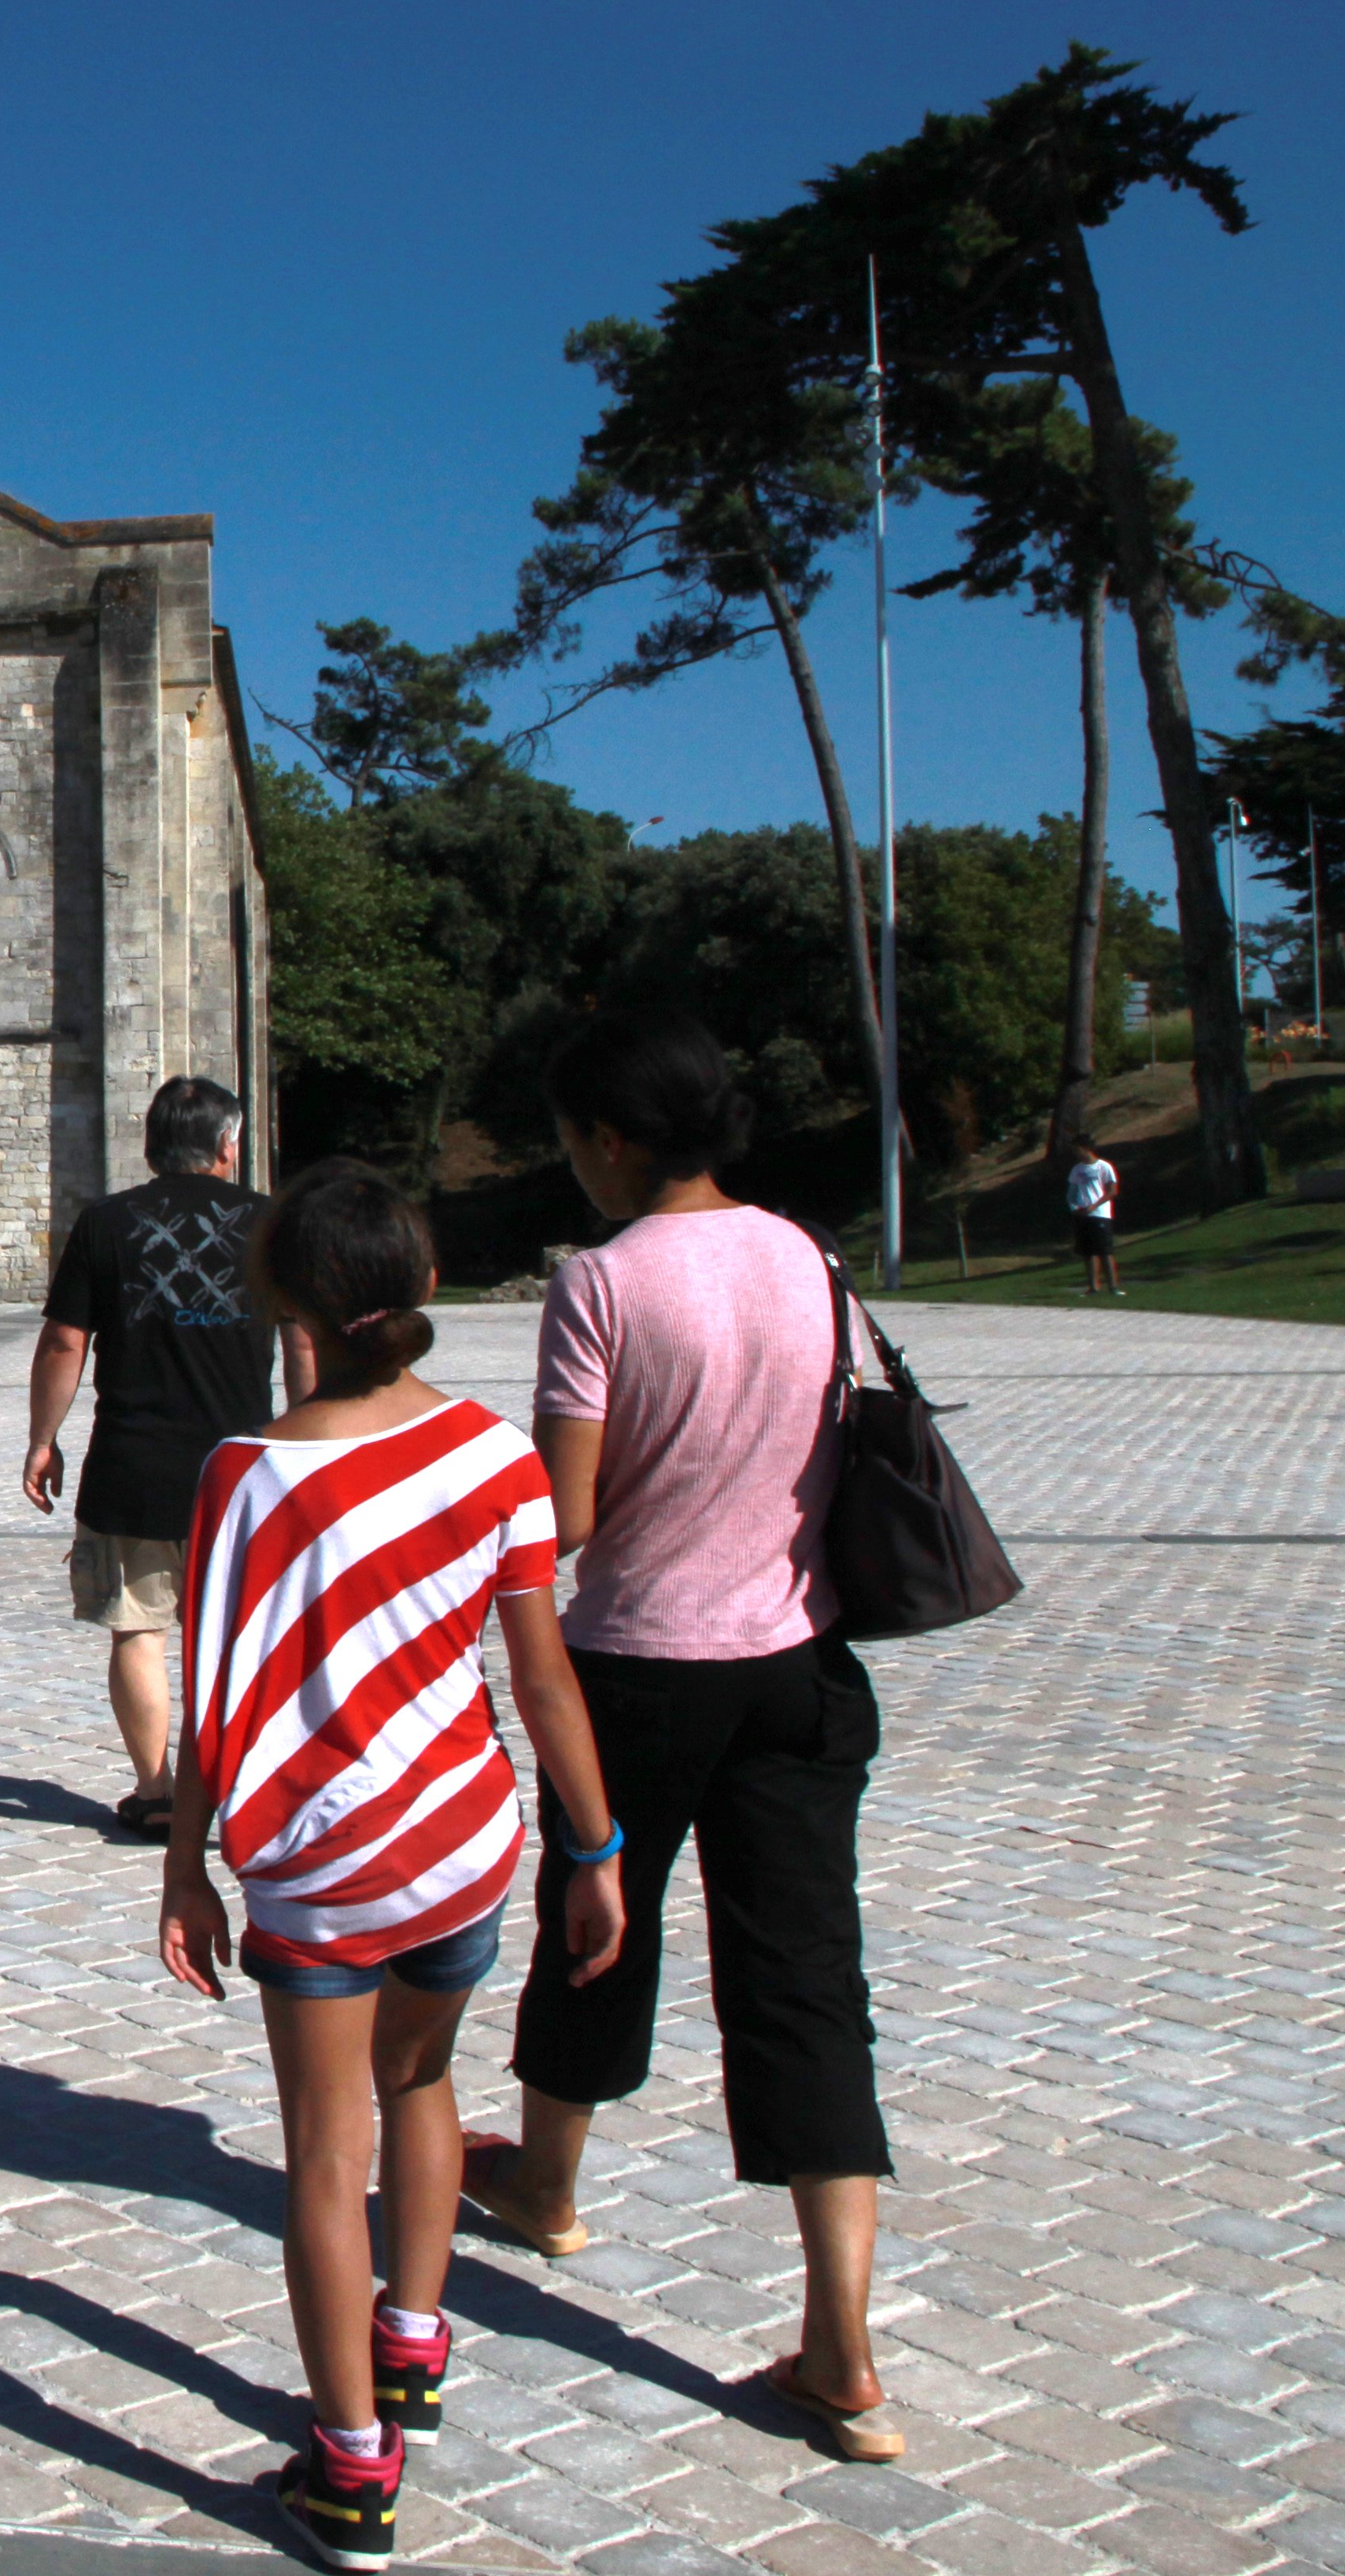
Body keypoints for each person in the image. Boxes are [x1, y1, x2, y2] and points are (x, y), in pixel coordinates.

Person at [158, 1159, 627, 2572]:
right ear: (421, 1287)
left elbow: (213, 1688)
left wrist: (185, 1866)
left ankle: (351, 2466)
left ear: (283, 1304)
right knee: (422, 2079)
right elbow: (541, 1680)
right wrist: (593, 1845)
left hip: (315, 1859)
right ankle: (414, 2345)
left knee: (322, 2149)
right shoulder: (498, 1458)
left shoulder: (243, 1475)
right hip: (459, 1845)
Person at [459, 1008, 903, 2467]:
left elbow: (568, 1515)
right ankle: (840, 2337)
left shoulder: (597, 1282)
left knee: (598, 1923)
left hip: (640, 1665)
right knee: (803, 1979)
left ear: (613, 1138)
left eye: (574, 1135)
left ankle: (545, 2182)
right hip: (797, 1663)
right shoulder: (806, 1252)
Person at [22, 1075, 274, 1835]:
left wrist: (42, 1438)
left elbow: (67, 1339)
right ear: (229, 1146)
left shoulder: (105, 1223)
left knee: (139, 1628)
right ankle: (223, 1784)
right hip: (243, 1468)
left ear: (151, 1147)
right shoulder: (269, 1224)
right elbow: (302, 1338)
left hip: (134, 1460)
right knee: (228, 1637)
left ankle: (157, 1788)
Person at [1062, 1134, 1122, 1298]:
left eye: (1077, 1149)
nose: (1076, 1153)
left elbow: (1112, 1191)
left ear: (1086, 1148)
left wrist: (1094, 1205)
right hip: (1083, 1215)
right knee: (1088, 1252)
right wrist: (1074, 1207)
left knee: (1105, 1251)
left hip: (1100, 1214)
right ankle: (1093, 1287)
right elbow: (1072, 1192)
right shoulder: (1077, 1169)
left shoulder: (1104, 1167)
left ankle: (1113, 1287)